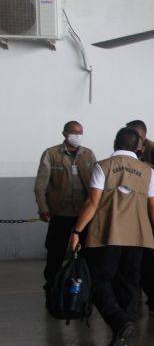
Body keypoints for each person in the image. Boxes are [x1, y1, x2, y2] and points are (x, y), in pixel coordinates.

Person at [68, 127, 154, 346]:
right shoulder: (148, 171)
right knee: (129, 284)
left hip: (106, 235)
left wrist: (76, 231)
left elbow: (92, 203)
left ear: (115, 143)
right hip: (138, 237)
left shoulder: (102, 167)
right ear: (139, 147)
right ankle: (123, 335)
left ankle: (119, 322)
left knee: (97, 281)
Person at [34, 121, 96, 296]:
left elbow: (96, 184)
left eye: (80, 132)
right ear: (64, 134)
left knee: (85, 252)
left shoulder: (88, 155)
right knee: (55, 252)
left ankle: (83, 287)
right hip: (60, 213)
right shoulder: (51, 154)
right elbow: (41, 185)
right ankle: (52, 286)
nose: (77, 135)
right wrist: (43, 207)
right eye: (73, 132)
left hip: (83, 214)